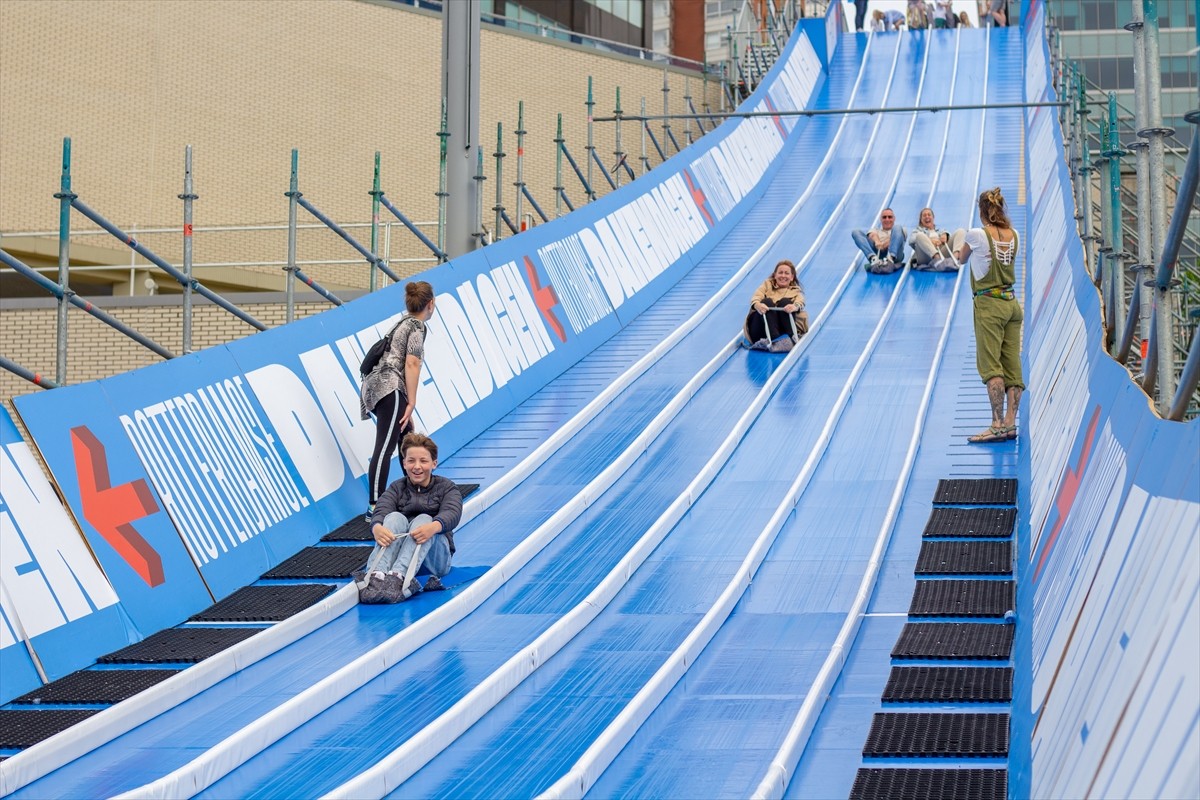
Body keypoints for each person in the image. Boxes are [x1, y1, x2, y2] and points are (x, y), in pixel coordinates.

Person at [361, 280, 436, 521]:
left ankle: (414, 496)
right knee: (385, 446)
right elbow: (412, 363)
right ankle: (375, 506)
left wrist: (405, 405)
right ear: (431, 304)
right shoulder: (416, 326)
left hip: (380, 387)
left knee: (407, 439)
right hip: (388, 386)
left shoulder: (400, 323)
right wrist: (410, 401)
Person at [954, 188, 1023, 443]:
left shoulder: (976, 234)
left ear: (982, 210)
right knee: (1012, 364)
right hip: (1012, 303)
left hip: (989, 304)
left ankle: (996, 425)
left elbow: (961, 259)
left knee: (991, 364)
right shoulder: (1013, 235)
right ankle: (1010, 423)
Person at [365, 433, 462, 599]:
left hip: (434, 561)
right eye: (411, 461)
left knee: (424, 519)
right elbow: (382, 508)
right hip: (402, 552)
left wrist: (433, 527)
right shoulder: (397, 487)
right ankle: (377, 575)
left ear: (434, 464)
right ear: (404, 463)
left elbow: (453, 512)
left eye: (423, 461)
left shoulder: (447, 487)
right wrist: (377, 528)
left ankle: (398, 577)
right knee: (394, 517)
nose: (417, 466)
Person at [745, 259, 808, 352]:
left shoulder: (795, 291)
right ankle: (775, 340)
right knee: (767, 302)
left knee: (785, 303)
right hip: (761, 328)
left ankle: (790, 337)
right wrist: (758, 305)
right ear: (775, 275)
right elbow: (756, 297)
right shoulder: (767, 285)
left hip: (781, 330)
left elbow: (800, 302)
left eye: (786, 273)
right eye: (780, 273)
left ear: (792, 277)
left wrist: (794, 307)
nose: (783, 275)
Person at [852, 208, 907, 274]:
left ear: (894, 219)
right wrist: (877, 242)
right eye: (884, 217)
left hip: (896, 254)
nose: (887, 219)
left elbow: (895, 239)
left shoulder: (899, 230)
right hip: (878, 253)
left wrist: (883, 245)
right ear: (881, 219)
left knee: (897, 227)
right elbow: (872, 235)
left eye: (890, 217)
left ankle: (891, 258)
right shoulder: (876, 230)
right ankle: (873, 258)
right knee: (856, 232)